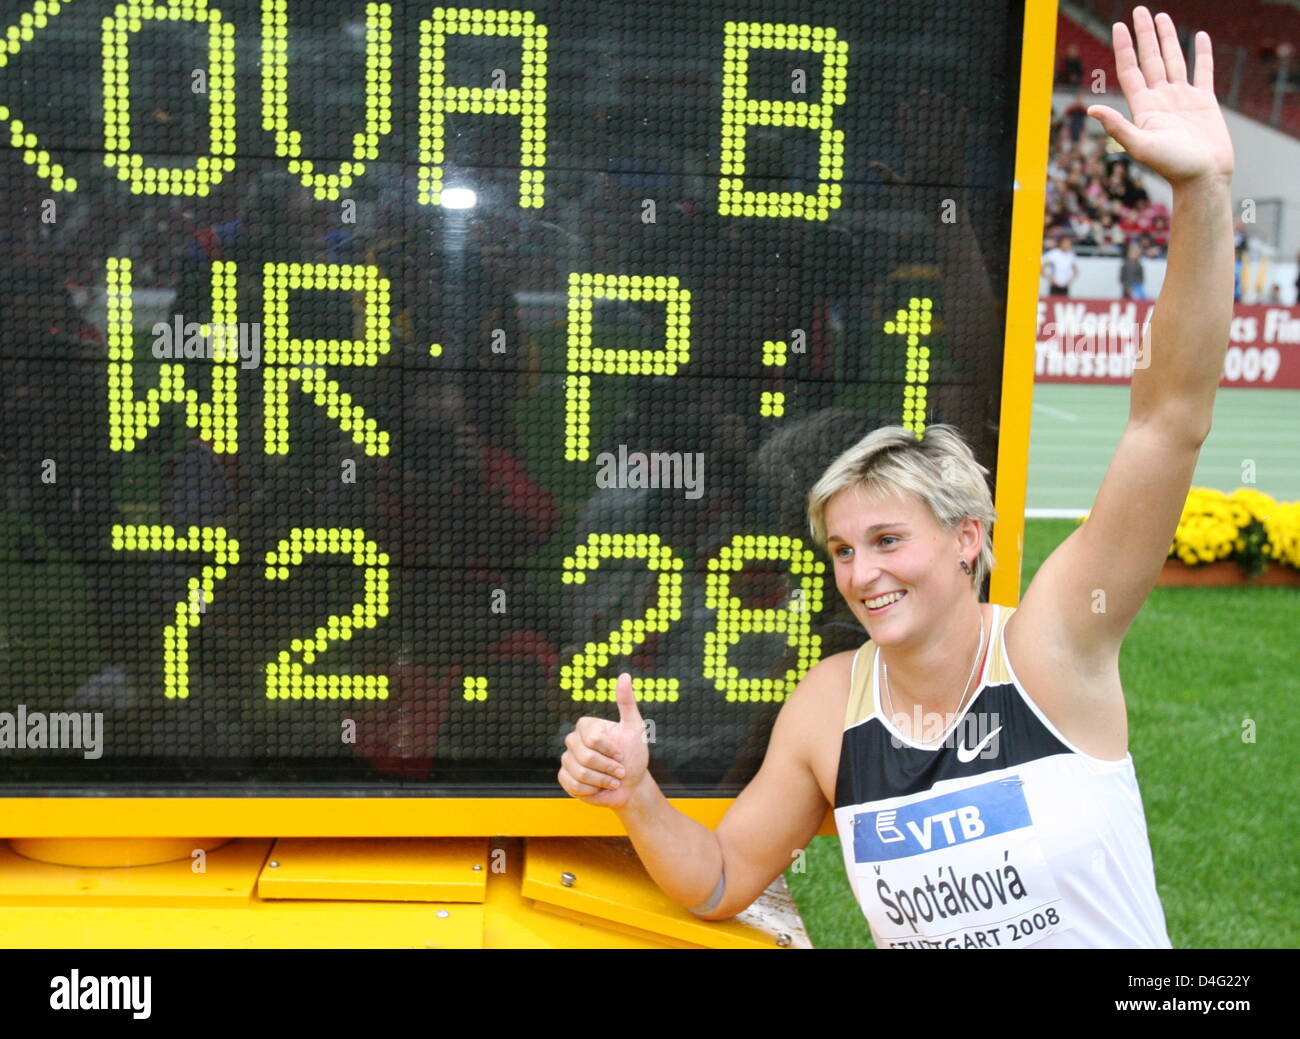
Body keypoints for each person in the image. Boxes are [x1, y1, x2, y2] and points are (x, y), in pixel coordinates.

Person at [558, 7, 1233, 948]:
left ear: (967, 539)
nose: (859, 573)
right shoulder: (831, 705)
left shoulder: (1048, 649)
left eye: (886, 539)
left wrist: (1204, 194)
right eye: (840, 548)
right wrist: (636, 793)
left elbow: (1170, 420)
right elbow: (717, 879)